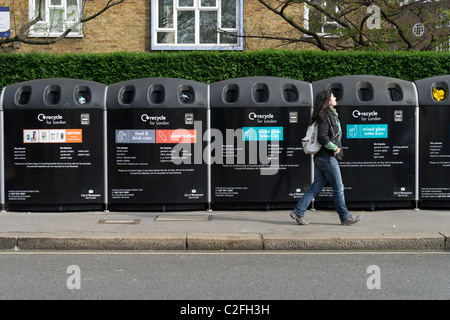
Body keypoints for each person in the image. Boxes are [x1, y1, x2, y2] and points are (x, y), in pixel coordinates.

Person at [290, 90, 361, 226]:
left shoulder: (326, 114)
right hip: (327, 157)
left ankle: (298, 212)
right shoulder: (325, 116)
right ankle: (345, 217)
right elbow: (322, 137)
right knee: (338, 187)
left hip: (320, 157)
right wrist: (334, 148)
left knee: (316, 186)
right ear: (327, 100)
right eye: (333, 96)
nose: (335, 98)